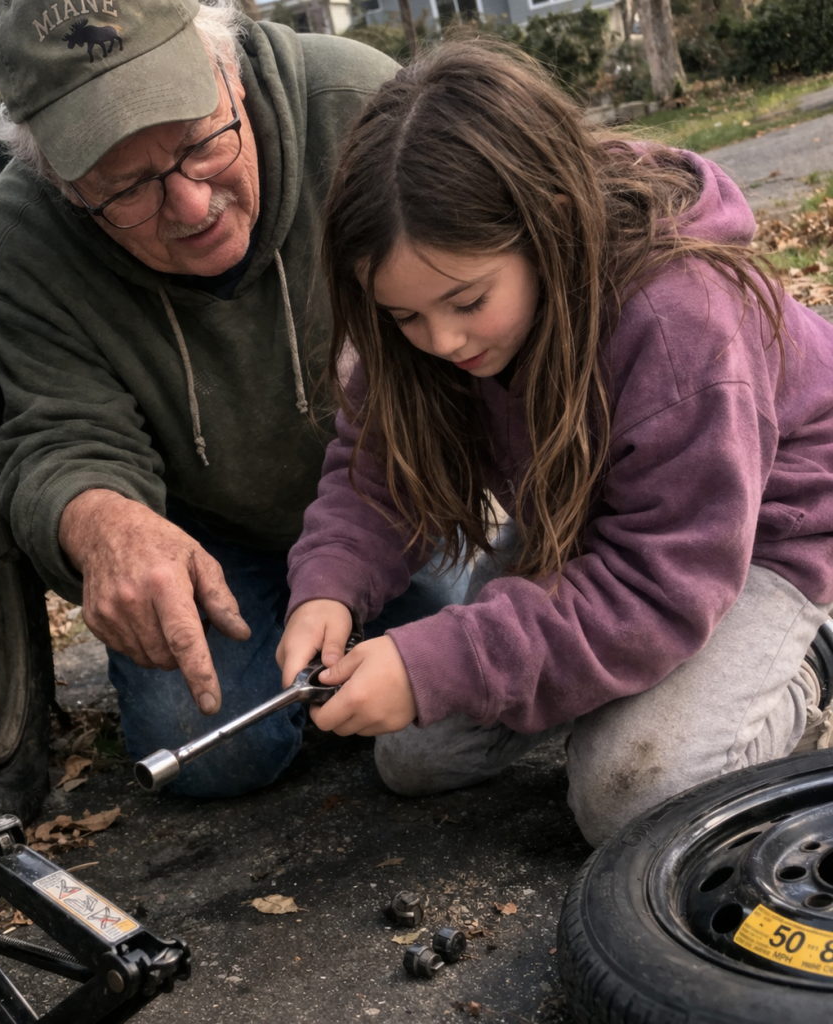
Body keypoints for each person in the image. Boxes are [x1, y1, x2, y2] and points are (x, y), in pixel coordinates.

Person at [276, 41, 833, 846]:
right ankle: (631, 674)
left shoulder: (682, 321)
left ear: (548, 225)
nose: (442, 341)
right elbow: (377, 473)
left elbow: (660, 583)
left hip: (754, 537)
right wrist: (327, 588)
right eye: (405, 317)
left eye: (468, 302)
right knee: (416, 756)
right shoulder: (428, 318)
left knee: (631, 798)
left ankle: (809, 658)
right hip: (587, 517)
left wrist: (455, 660)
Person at [0, 0, 468, 798]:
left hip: (390, 489)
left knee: (453, 691)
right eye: (126, 188)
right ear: (60, 182)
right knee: (208, 750)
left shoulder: (359, 108)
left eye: (201, 144)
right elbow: (55, 436)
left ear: (230, 71)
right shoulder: (21, 238)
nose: (192, 206)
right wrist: (104, 525)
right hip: (207, 537)